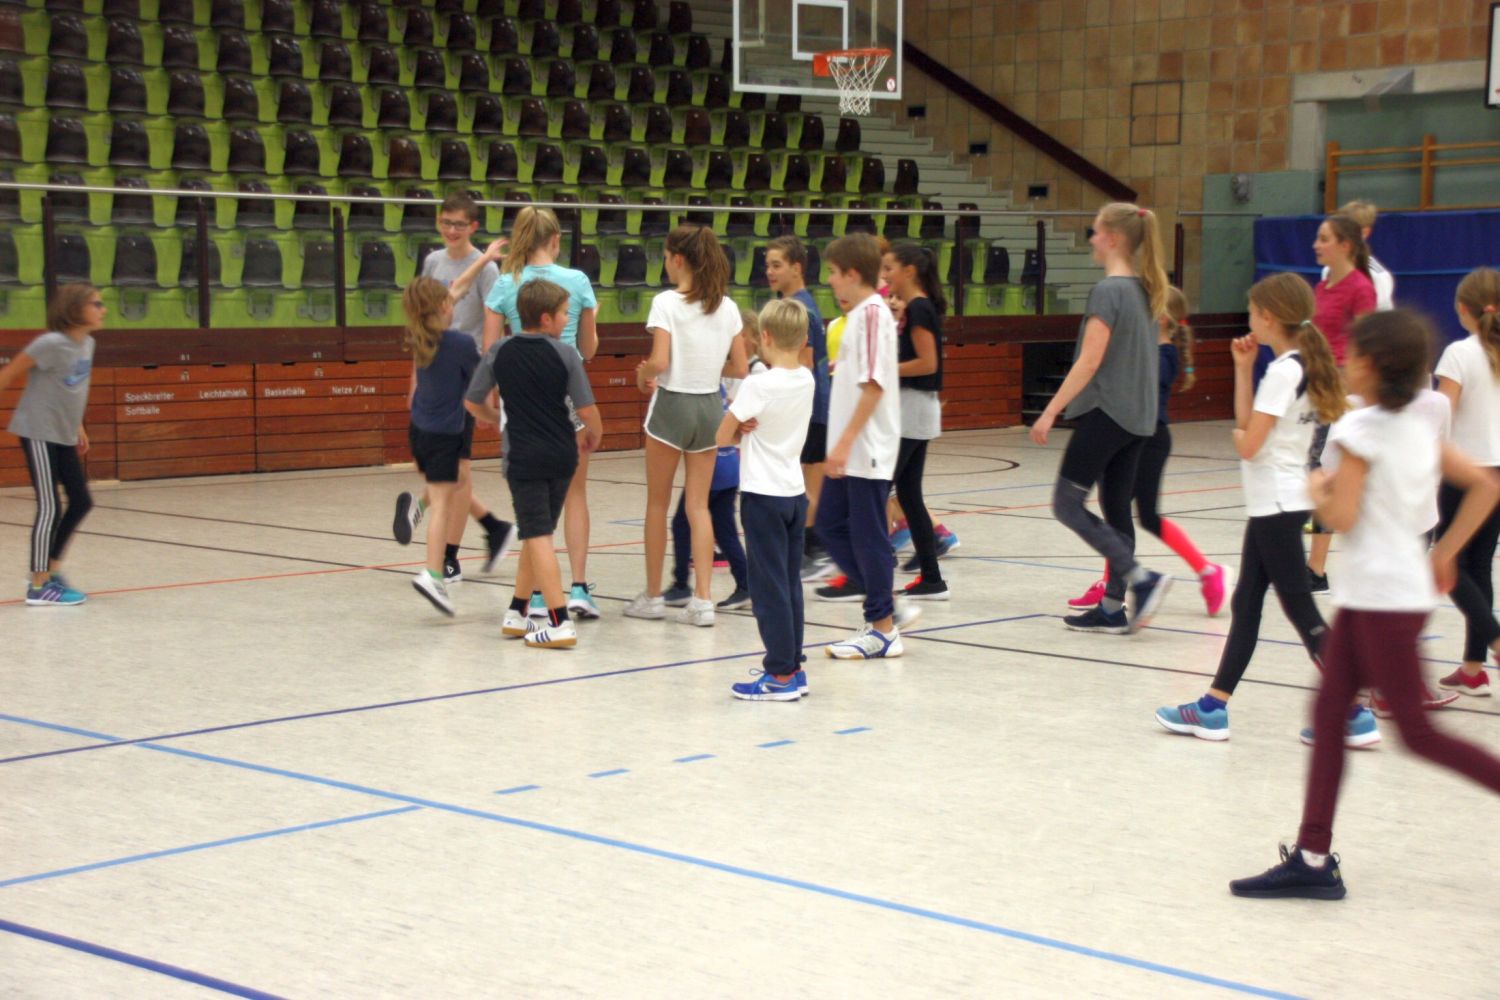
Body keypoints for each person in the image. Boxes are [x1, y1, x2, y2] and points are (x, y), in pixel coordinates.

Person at [1229, 310, 1500, 900]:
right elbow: (1486, 485)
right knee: (1330, 717)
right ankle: (1312, 857)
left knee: (1419, 735)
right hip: (1384, 595)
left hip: (1381, 599)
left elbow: (1342, 517)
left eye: (1352, 354)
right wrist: (1446, 550)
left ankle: (1313, 856)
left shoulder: (1358, 430)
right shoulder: (1421, 423)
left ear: (1373, 367)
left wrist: (1316, 490)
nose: (1344, 361)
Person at [1155, 274, 1347, 741]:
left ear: (1268, 316)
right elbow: (1251, 424)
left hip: (1277, 501)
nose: (1248, 319)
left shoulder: (1285, 372)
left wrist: (1239, 437)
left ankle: (1353, 711)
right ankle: (1213, 707)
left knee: (1301, 610)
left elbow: (1248, 443)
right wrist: (1242, 369)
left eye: (1251, 311)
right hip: (1277, 501)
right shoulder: (1297, 364)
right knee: (1246, 602)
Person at [1029, 203, 1173, 634]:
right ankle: (1112, 607)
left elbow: (1090, 361)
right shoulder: (1146, 290)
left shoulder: (1109, 292)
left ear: (1112, 238)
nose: (1091, 239)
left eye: (1094, 232)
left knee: (1066, 503)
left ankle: (1141, 579)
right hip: (1139, 418)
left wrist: (1050, 410)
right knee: (1115, 509)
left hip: (1107, 412)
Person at [1069, 287, 1225, 615]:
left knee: (1137, 516)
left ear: (1162, 318)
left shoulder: (1162, 356)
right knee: (1120, 513)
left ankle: (1207, 571)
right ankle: (1113, 583)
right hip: (1135, 437)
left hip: (1149, 441)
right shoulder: (1147, 351)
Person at [465, 280, 602, 648]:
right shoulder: (566, 354)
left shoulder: (499, 351)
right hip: (562, 456)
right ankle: (517, 611)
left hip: (523, 457)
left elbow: (473, 401)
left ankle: (559, 622)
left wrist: (495, 418)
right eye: (564, 314)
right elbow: (587, 409)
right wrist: (595, 433)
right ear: (545, 318)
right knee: (536, 531)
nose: (567, 320)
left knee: (536, 534)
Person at [625, 225, 749, 626]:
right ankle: (703, 601)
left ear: (678, 259)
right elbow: (741, 368)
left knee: (657, 504)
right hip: (710, 406)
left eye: (665, 257)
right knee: (699, 506)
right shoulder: (727, 307)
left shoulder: (666, 302)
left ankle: (653, 596)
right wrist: (707, 365)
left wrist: (642, 373)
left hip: (672, 405)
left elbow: (659, 362)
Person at [485, 206, 603, 619]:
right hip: (567, 392)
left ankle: (535, 594)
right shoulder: (577, 281)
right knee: (574, 493)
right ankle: (578, 588)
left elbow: (490, 350)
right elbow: (588, 350)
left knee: (532, 501)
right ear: (555, 240)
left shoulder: (505, 283)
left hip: (523, 398)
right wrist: (591, 319)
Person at [393, 193, 516, 581]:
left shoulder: (487, 271)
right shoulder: (433, 262)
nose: (451, 230)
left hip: (466, 372)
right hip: (436, 369)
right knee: (455, 473)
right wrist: (416, 379)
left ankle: (447, 554)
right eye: (445, 222)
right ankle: (493, 527)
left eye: (459, 224)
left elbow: (493, 325)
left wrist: (488, 389)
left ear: (473, 227)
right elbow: (428, 313)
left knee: (457, 471)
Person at [814, 233, 916, 658]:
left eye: (834, 273)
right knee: (829, 524)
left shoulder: (873, 314)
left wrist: (844, 443)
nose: (831, 281)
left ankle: (883, 628)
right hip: (851, 450)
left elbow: (874, 385)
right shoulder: (859, 316)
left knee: (868, 535)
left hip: (866, 447)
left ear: (853, 273)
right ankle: (884, 602)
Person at [719, 298, 816, 699]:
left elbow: (722, 436)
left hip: (762, 495)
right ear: (804, 338)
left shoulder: (758, 385)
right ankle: (792, 665)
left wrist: (739, 425)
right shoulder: (807, 378)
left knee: (768, 588)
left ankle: (778, 675)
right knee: (789, 583)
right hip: (794, 493)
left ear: (765, 337)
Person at [0, 283, 100, 605]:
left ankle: (51, 570)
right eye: (96, 304)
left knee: (81, 501)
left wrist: (78, 425)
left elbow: (72, 388)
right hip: (38, 431)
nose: (103, 309)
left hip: (63, 432)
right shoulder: (50, 344)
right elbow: (9, 374)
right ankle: (38, 587)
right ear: (75, 309)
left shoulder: (88, 344)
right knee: (50, 506)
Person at [1434, 267, 1500, 696]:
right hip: (1497, 472)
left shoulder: (1459, 353)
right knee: (1477, 566)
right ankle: (1473, 669)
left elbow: (1442, 414)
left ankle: (1495, 641)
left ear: (1462, 308)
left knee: (1446, 563)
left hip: (1466, 474)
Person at [402, 274, 483, 615]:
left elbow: (449, 295)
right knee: (443, 505)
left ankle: (417, 505)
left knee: (450, 487)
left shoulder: (418, 338)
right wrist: (492, 412)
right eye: (451, 302)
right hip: (445, 435)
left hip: (419, 433)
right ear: (444, 307)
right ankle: (433, 574)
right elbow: (480, 382)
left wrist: (480, 262)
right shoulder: (460, 343)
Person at [1306, 213, 1378, 592]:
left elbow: (1367, 347)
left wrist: (1345, 390)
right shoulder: (1323, 286)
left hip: (1342, 392)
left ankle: (1317, 568)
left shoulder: (1360, 288)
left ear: (1345, 245)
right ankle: (1314, 566)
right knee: (1312, 469)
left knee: (1325, 470)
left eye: (1324, 239)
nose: (1316, 245)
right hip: (1317, 385)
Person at [881, 242, 951, 600]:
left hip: (912, 409)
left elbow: (928, 363)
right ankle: (932, 579)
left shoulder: (920, 308)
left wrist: (884, 368)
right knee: (908, 496)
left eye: (889, 268)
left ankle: (867, 573)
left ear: (909, 271)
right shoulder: (913, 308)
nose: (885, 275)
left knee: (878, 489)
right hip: (913, 408)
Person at [765, 235, 833, 580]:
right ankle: (811, 549)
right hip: (810, 408)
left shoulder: (800, 309)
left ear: (797, 267)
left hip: (811, 410)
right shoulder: (794, 305)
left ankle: (813, 552)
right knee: (805, 481)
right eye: (767, 265)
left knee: (809, 483)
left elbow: (804, 364)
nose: (769, 271)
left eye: (777, 265)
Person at [1319, 200, 1394, 311]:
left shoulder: (1378, 275)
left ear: (1365, 233)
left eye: (1345, 231)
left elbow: (1381, 317)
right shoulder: (1329, 270)